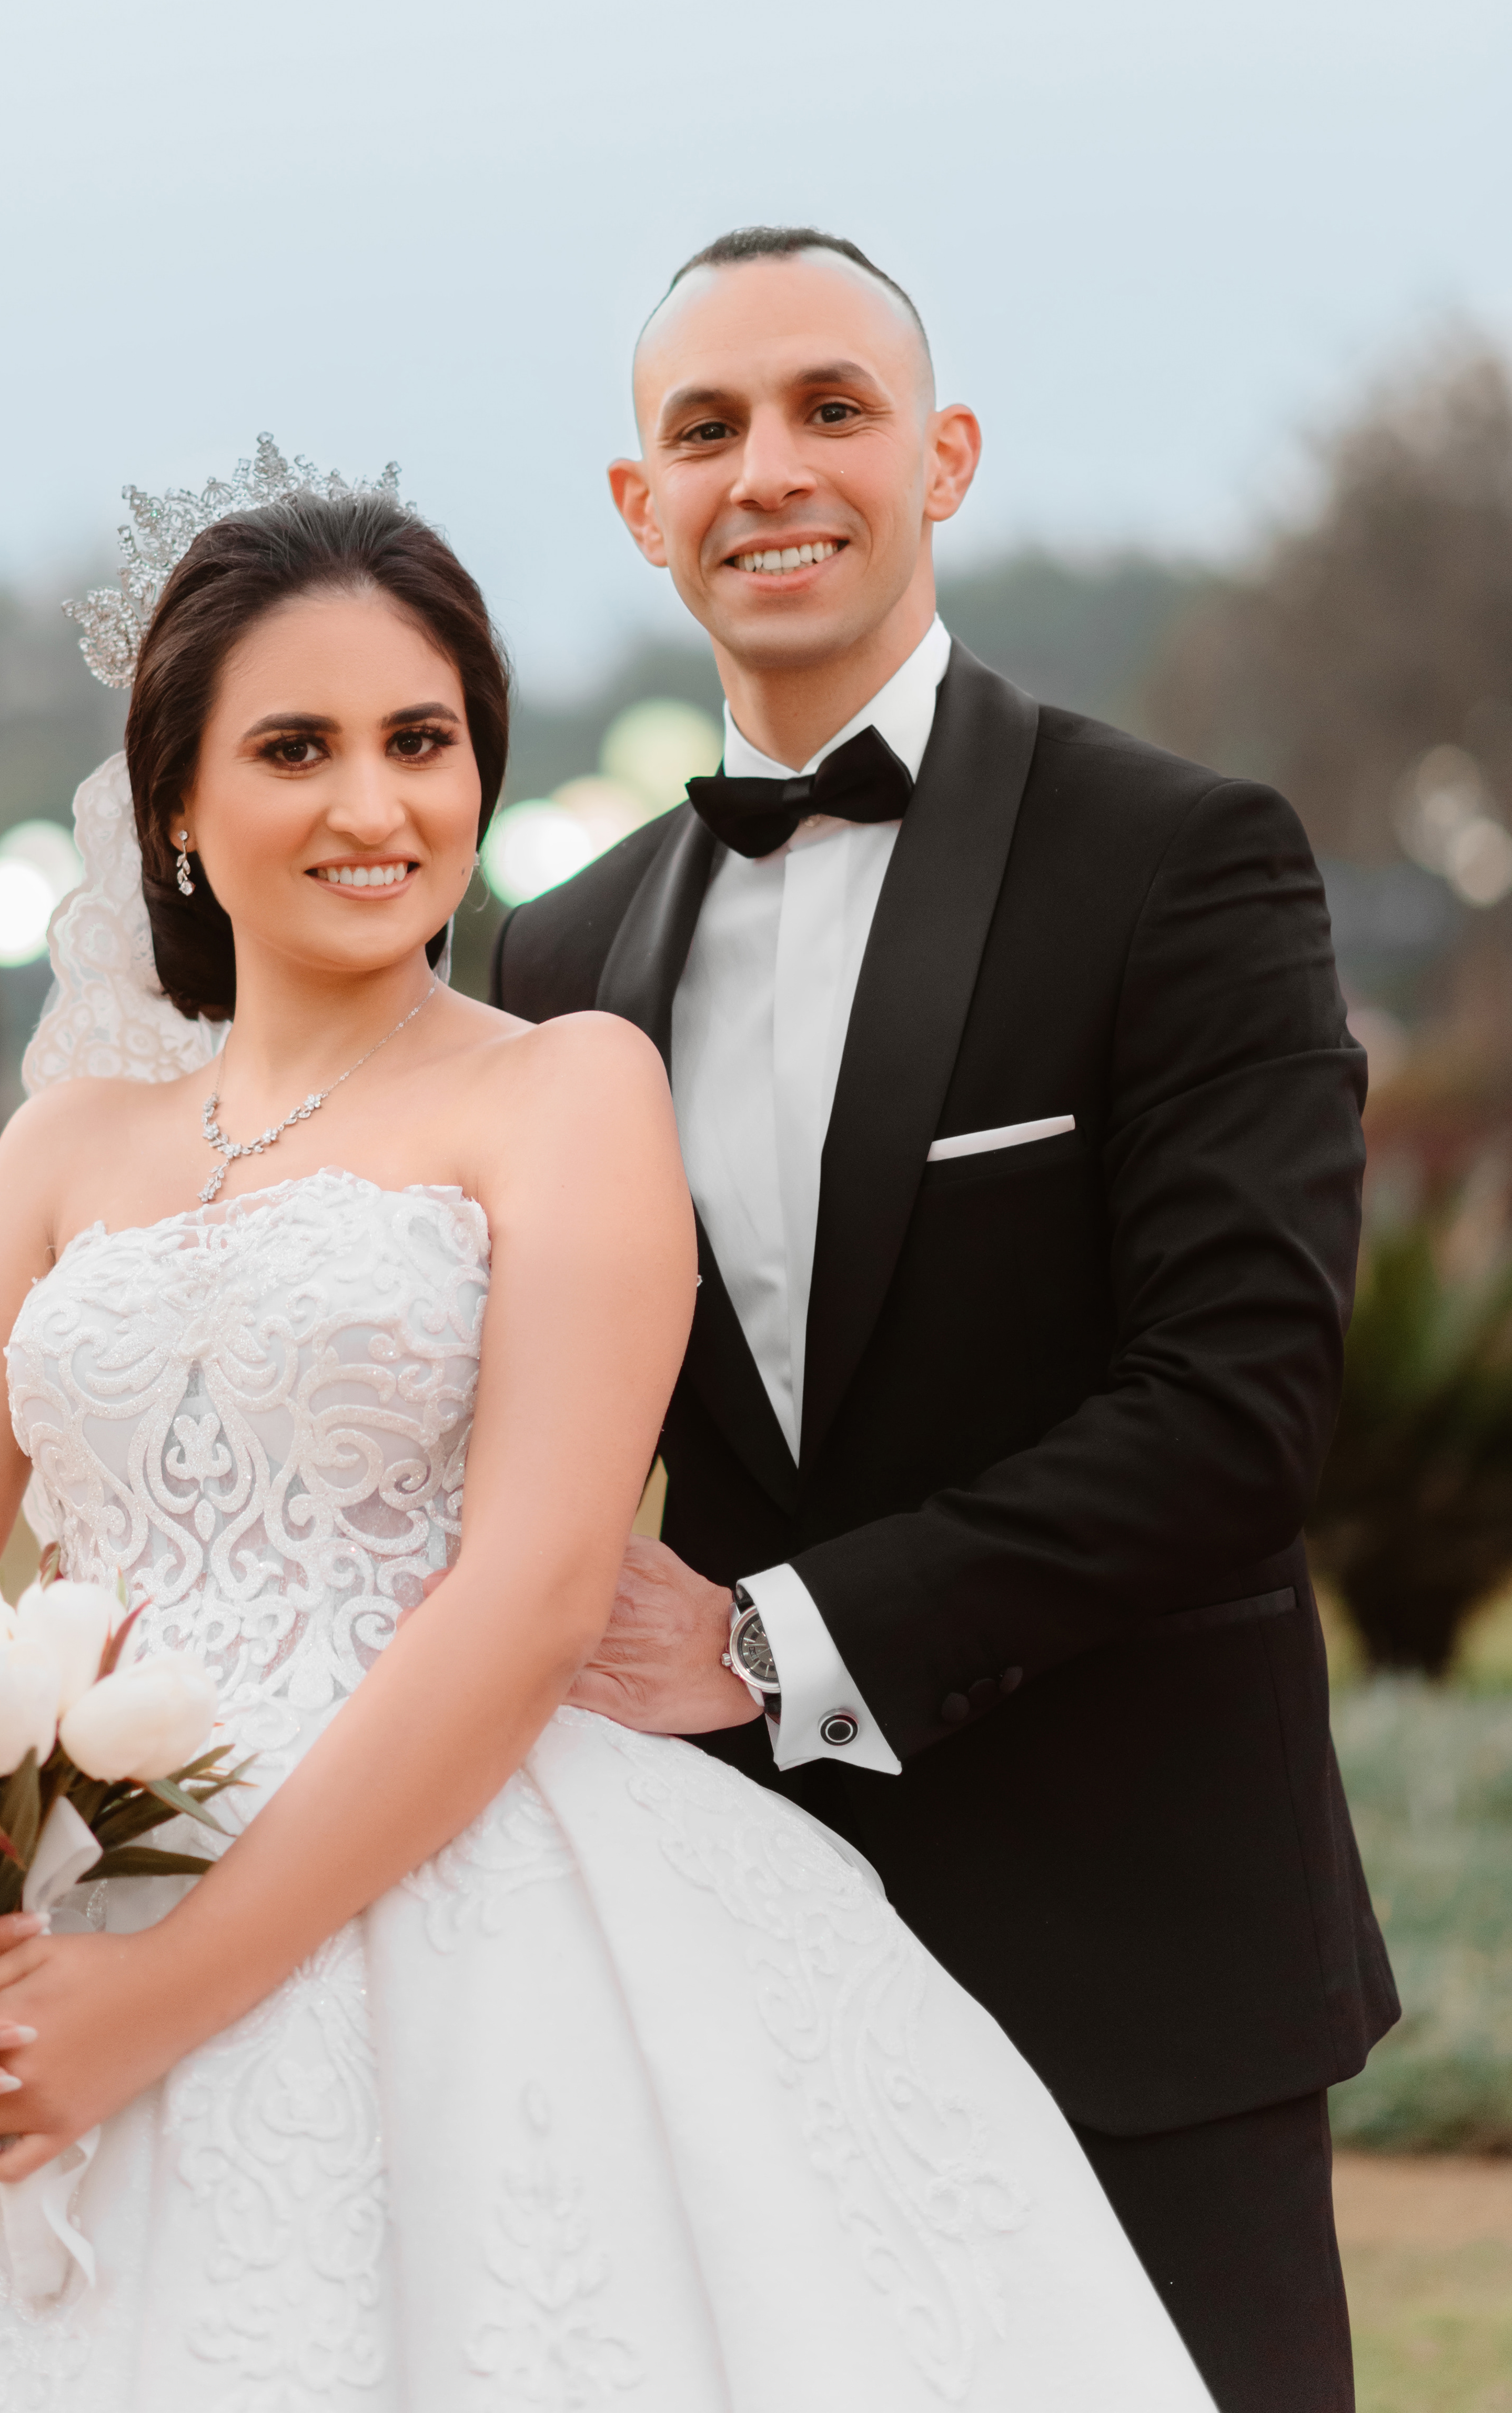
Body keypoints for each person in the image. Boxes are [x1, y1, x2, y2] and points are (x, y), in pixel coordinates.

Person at [0, 464, 1213, 2410]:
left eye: (422, 740)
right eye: (294, 748)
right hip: (47, 1868)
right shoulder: (66, 1147)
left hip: (461, 1862)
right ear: (175, 805)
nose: (373, 806)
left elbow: (540, 1587)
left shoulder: (564, 1090)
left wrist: (153, 1999)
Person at [489, 227, 1397, 2413]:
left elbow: (1242, 1409)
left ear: (945, 457)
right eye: (704, 428)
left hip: (1143, 1958)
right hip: (738, 1968)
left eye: (831, 408)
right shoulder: (556, 955)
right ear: (641, 504)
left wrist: (771, 1637)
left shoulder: (1182, 862)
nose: (768, 469)